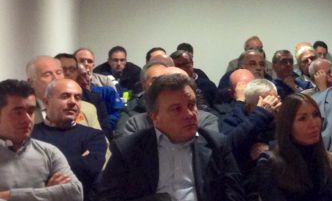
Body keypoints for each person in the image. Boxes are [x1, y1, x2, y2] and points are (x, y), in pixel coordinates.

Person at [97, 74, 245, 201]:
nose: (189, 114)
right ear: (155, 116)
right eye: (176, 109)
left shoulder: (216, 144)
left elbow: (235, 195)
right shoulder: (128, 149)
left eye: (191, 105)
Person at [0, 79, 84, 201]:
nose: (28, 119)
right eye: (18, 112)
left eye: (31, 111)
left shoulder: (49, 152)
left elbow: (75, 193)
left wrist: (6, 196)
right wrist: (48, 193)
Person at [253, 93, 332, 201]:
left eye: (316, 115)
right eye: (302, 118)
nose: (313, 124)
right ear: (287, 125)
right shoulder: (269, 164)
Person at [31, 79, 106, 201]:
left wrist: (47, 168)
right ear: (46, 102)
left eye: (77, 97)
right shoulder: (30, 136)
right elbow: (25, 174)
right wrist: (80, 160)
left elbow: (91, 167)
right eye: (65, 96)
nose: (73, 102)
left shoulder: (94, 136)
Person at [219, 79, 280, 177]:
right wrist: (261, 114)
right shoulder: (236, 117)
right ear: (248, 107)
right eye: (265, 104)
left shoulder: (283, 116)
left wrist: (271, 148)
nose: (272, 107)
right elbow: (226, 145)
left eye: (274, 101)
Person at [26, 56, 104, 133]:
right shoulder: (25, 111)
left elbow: (100, 139)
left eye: (59, 72)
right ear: (31, 82)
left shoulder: (87, 109)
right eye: (47, 74)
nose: (56, 78)